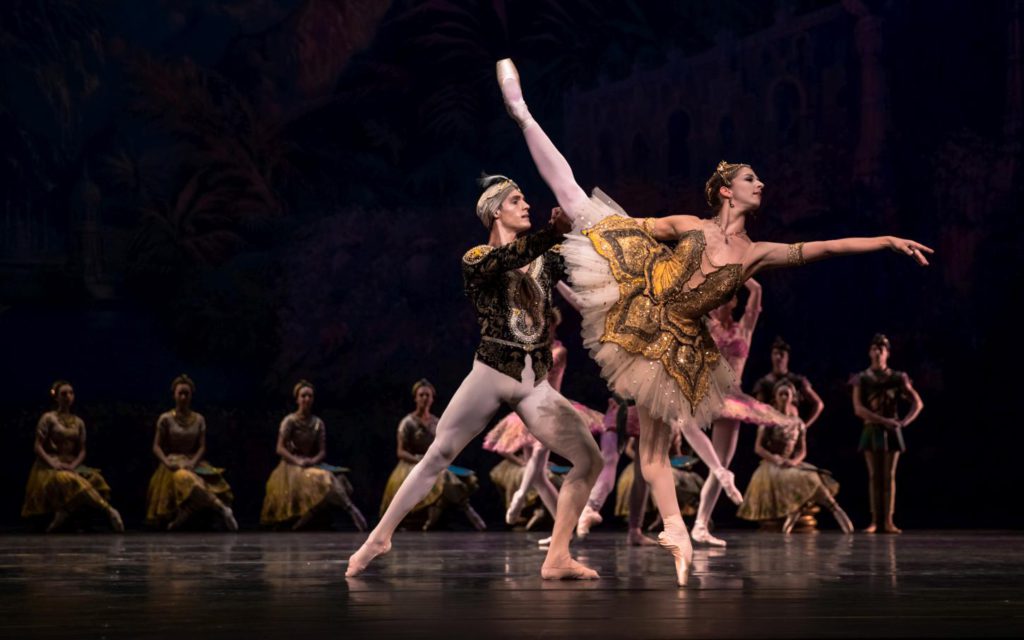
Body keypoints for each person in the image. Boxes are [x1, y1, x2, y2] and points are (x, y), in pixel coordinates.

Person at [496, 57, 932, 585]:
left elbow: (824, 247)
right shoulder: (691, 225)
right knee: (573, 194)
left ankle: (676, 531)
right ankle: (522, 113)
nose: (761, 183)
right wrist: (586, 227)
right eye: (752, 178)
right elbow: (638, 226)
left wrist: (885, 240)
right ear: (727, 190)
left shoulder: (756, 253)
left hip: (675, 342)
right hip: (641, 293)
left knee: (654, 452)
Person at [346, 179, 604, 579]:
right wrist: (552, 232)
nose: (526, 204)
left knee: (589, 459)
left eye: (524, 198)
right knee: (439, 454)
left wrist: (577, 228)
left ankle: (557, 556)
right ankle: (379, 537)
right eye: (516, 200)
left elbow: (578, 259)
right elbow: (509, 258)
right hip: (491, 373)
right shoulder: (477, 259)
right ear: (495, 211)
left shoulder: (545, 258)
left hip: (535, 384)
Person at [692, 278, 763, 547]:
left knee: (720, 464)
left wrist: (739, 268)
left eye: (725, 298)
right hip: (706, 395)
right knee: (716, 462)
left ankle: (700, 524)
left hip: (733, 399)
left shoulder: (744, 328)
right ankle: (696, 520)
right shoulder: (705, 326)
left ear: (733, 301)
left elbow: (757, 291)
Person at [737, 380, 853, 533]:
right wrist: (775, 459)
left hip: (790, 463)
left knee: (813, 477)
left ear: (793, 397)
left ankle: (833, 506)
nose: (784, 397)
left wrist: (793, 461)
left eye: (787, 394)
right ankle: (796, 509)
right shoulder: (769, 420)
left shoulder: (798, 423)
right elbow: (758, 447)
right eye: (781, 394)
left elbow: (802, 450)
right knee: (797, 478)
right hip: (772, 464)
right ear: (775, 397)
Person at [379, 379, 486, 532]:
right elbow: (400, 451)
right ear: (415, 398)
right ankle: (466, 510)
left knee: (454, 477)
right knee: (441, 477)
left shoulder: (437, 422)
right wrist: (419, 459)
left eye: (427, 395)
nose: (424, 398)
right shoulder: (407, 422)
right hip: (411, 463)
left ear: (432, 399)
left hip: (432, 462)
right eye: (421, 395)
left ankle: (449, 512)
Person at [261, 380, 368, 531]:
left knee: (341, 479)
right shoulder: (290, 421)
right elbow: (280, 448)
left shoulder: (317, 422)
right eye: (303, 396)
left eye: (310, 396)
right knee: (326, 478)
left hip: (309, 464)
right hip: (291, 467)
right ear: (297, 399)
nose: (307, 399)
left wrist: (312, 460)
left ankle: (303, 522)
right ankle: (350, 509)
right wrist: (297, 461)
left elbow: (322, 451)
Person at [22, 381, 124, 532]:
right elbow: (37, 446)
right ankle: (109, 510)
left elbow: (82, 450)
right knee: (68, 479)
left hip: (70, 463)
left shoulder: (78, 422)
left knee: (96, 478)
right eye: (63, 394)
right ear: (56, 397)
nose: (68, 397)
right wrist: (53, 463)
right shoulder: (48, 418)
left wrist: (74, 464)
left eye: (71, 393)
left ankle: (65, 512)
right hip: (49, 466)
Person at [145, 375, 237, 531]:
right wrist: (167, 463)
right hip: (173, 462)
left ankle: (187, 513)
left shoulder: (199, 419)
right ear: (174, 394)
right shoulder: (166, 418)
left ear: (191, 396)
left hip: (193, 461)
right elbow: (156, 446)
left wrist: (193, 462)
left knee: (214, 483)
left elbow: (202, 446)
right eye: (180, 393)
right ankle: (221, 509)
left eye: (186, 394)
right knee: (185, 479)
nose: (183, 397)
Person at [852, 333, 923, 533]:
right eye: (874, 349)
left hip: (891, 430)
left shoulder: (897, 377)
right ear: (869, 352)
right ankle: (875, 520)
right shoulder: (862, 378)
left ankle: (889, 520)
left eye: (881, 350)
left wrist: (904, 422)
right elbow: (858, 409)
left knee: (889, 476)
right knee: (874, 476)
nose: (877, 353)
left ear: (887, 353)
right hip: (872, 428)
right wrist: (884, 420)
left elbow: (918, 402)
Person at [752, 336, 825, 427]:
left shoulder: (798, 381)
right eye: (775, 354)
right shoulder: (763, 383)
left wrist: (804, 426)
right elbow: (759, 410)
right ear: (771, 356)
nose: (778, 357)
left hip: (793, 429)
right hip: (772, 430)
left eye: (782, 354)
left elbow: (819, 404)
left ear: (787, 357)